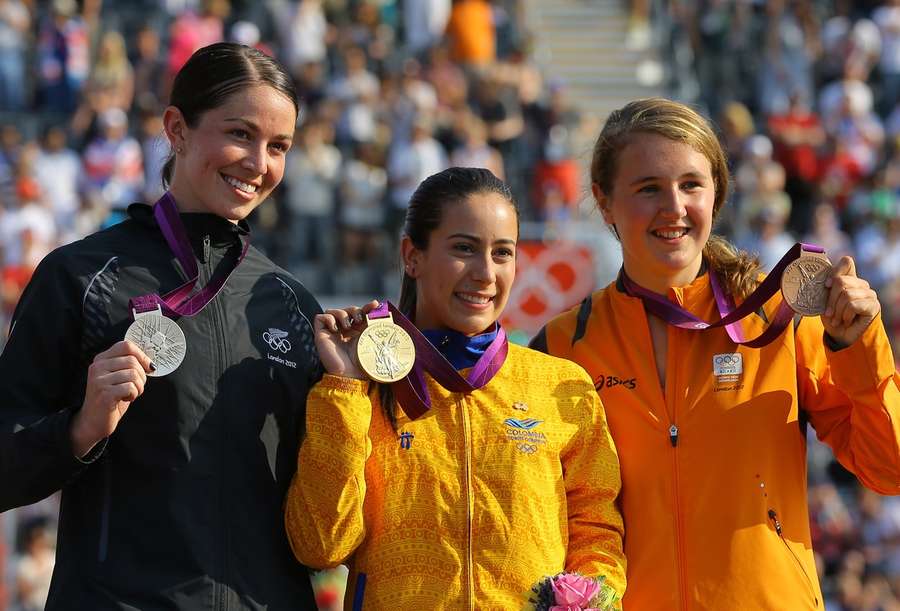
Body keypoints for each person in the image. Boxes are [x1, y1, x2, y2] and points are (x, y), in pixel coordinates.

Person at [530, 97, 900, 610]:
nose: (674, 208)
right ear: (604, 199)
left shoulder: (779, 319)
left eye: (690, 185)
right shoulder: (562, 346)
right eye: (648, 189)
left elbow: (890, 468)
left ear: (717, 193)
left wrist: (857, 345)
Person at [0, 43, 322, 609]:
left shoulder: (291, 304)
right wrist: (78, 430)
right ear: (176, 128)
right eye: (240, 134)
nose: (258, 163)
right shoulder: (81, 277)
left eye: (279, 146)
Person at [284, 167, 626, 609]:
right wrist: (344, 387)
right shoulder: (359, 388)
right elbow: (320, 545)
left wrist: (590, 600)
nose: (486, 273)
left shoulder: (559, 384)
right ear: (412, 256)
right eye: (464, 248)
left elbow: (596, 528)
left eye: (503, 253)